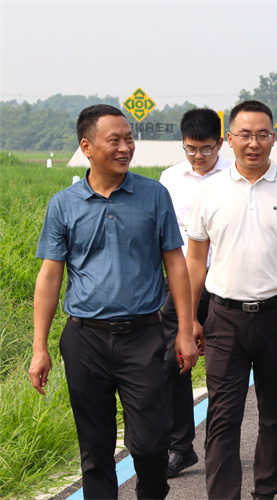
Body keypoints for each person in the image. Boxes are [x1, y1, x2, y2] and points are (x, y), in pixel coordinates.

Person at [28, 104, 199, 499]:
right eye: (115, 141)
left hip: (144, 337)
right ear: (86, 147)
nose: (126, 148)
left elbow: (175, 264)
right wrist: (40, 348)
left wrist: (185, 330)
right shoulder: (63, 204)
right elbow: (50, 276)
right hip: (84, 339)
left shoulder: (154, 195)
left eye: (129, 139)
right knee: (95, 448)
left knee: (151, 445)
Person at [185, 100, 277, 500]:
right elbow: (196, 260)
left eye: (262, 134)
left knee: (275, 417)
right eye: (244, 134)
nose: (253, 143)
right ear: (228, 139)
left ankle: (266, 493)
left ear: (273, 138)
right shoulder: (210, 192)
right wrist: (188, 319)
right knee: (223, 418)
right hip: (223, 318)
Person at [158, 108, 231, 478]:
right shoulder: (169, 179)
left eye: (205, 148)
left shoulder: (235, 177)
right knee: (175, 362)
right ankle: (180, 447)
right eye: (191, 149)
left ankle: (220, 446)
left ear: (220, 143)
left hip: (224, 285)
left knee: (224, 367)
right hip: (183, 284)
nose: (198, 156)